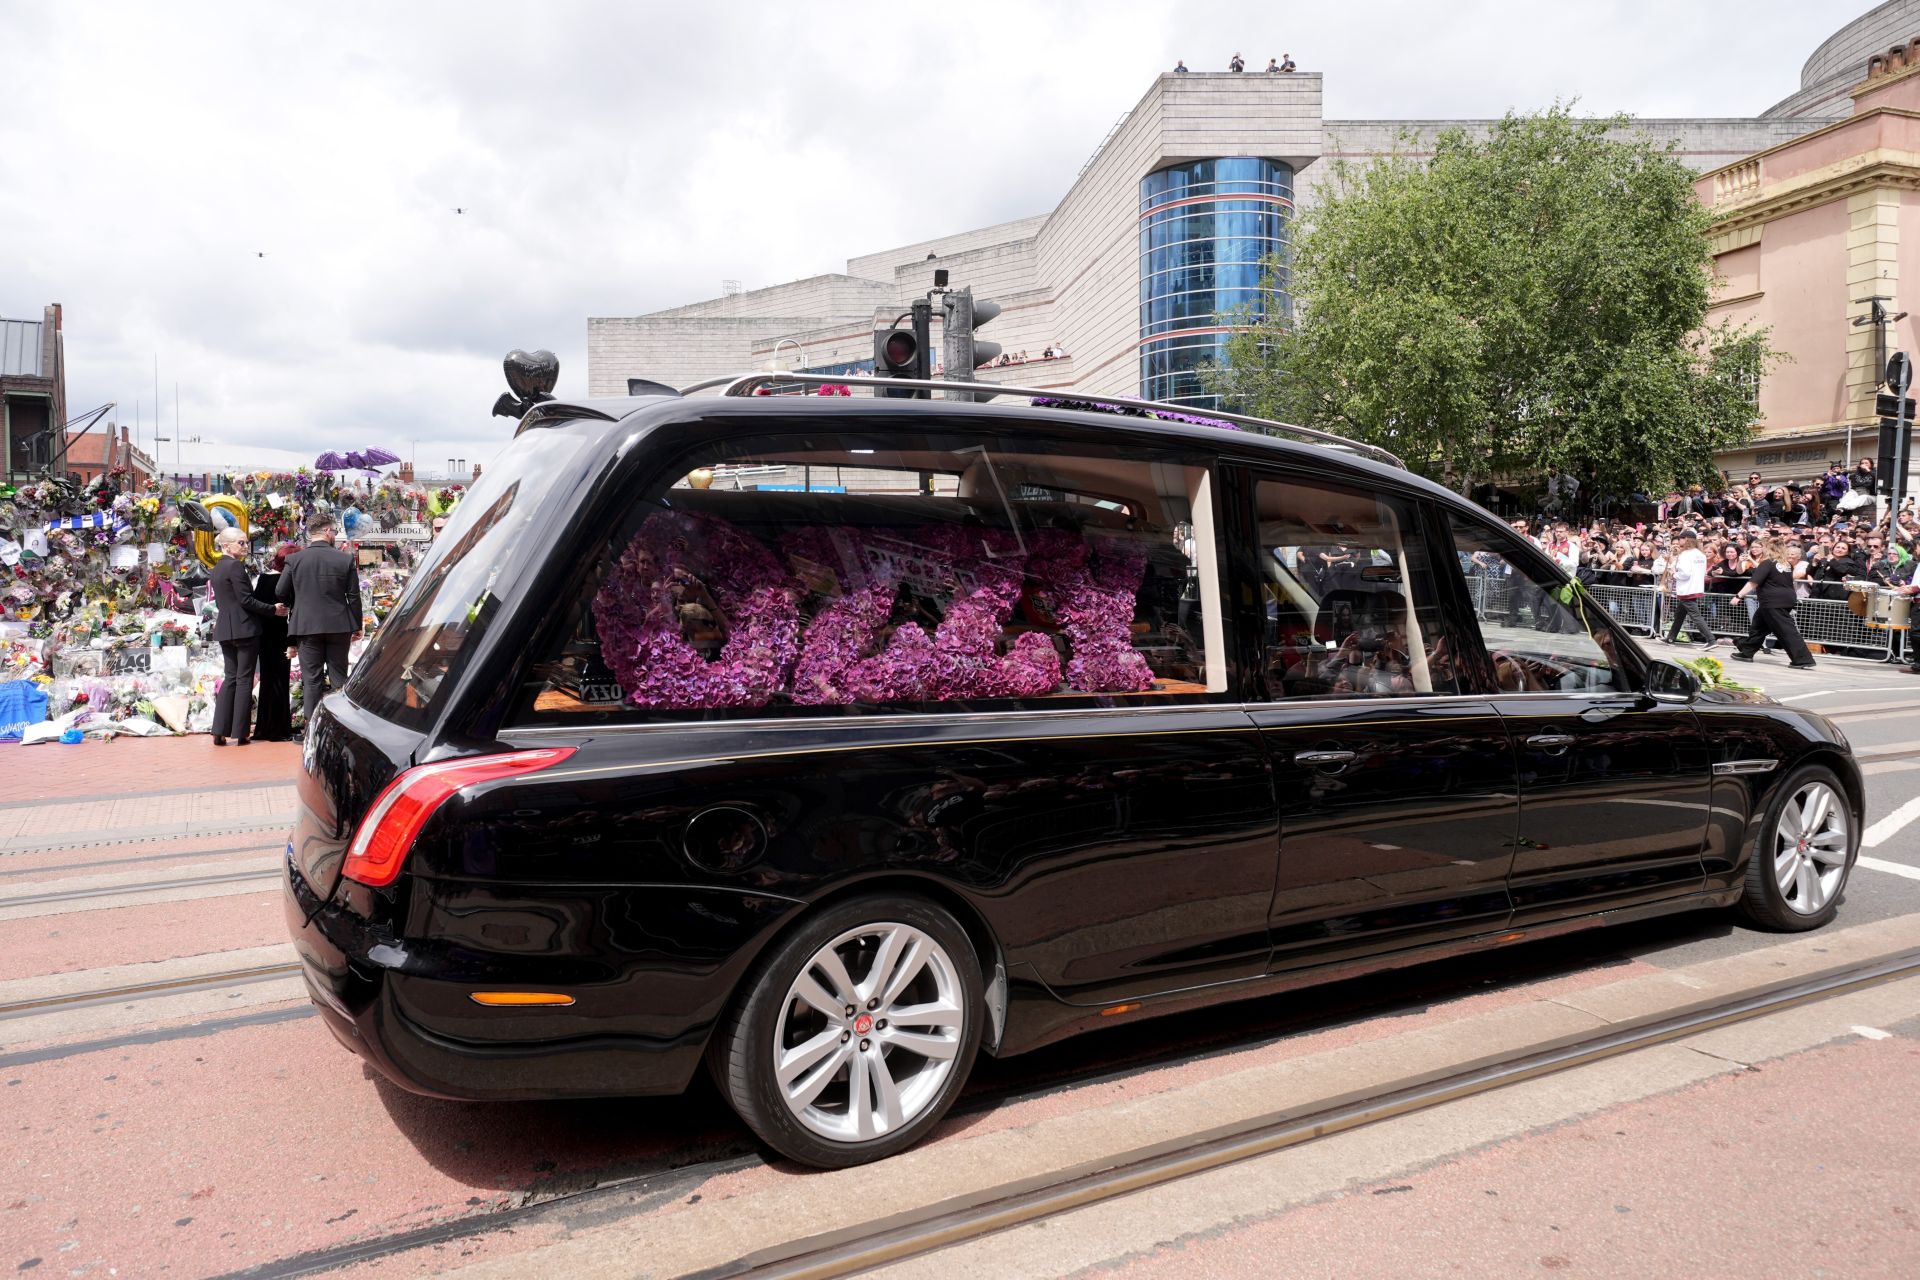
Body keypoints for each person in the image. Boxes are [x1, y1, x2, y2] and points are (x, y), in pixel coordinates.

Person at [279, 513, 364, 731]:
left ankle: (311, 727)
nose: (335, 535)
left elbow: (280, 591)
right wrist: (356, 625)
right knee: (338, 679)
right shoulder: (344, 559)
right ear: (327, 531)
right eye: (334, 531)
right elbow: (353, 596)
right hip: (338, 625)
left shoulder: (295, 559)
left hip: (307, 626)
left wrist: (296, 602)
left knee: (312, 680)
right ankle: (339, 727)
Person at [208, 527, 277, 746]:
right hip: (245, 628)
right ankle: (241, 732)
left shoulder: (217, 568)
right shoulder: (235, 567)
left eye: (246, 542)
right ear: (226, 545)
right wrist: (273, 609)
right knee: (244, 678)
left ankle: (219, 731)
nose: (245, 546)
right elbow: (246, 600)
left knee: (231, 678)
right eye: (241, 543)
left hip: (225, 629)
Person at [1731, 537, 1816, 668]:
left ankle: (1802, 659)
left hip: (1773, 601)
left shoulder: (1767, 563)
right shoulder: (1786, 564)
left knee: (1786, 630)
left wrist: (1738, 595)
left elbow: (1753, 582)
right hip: (1782, 599)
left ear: (1767, 548)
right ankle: (1747, 651)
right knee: (1758, 627)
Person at [250, 541, 299, 741]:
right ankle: (279, 728)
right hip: (281, 634)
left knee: (268, 680)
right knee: (280, 680)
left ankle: (265, 726)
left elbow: (256, 605)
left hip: (264, 634)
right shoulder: (288, 582)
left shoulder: (263, 579)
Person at [1664, 532, 1716, 647]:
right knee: (1679, 614)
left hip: (1686, 588)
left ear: (1686, 539)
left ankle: (1711, 640)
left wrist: (1674, 574)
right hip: (1696, 587)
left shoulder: (1685, 554)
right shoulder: (1700, 554)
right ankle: (1671, 637)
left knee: (1695, 616)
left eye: (1681, 539)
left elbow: (1685, 574)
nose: (1679, 541)